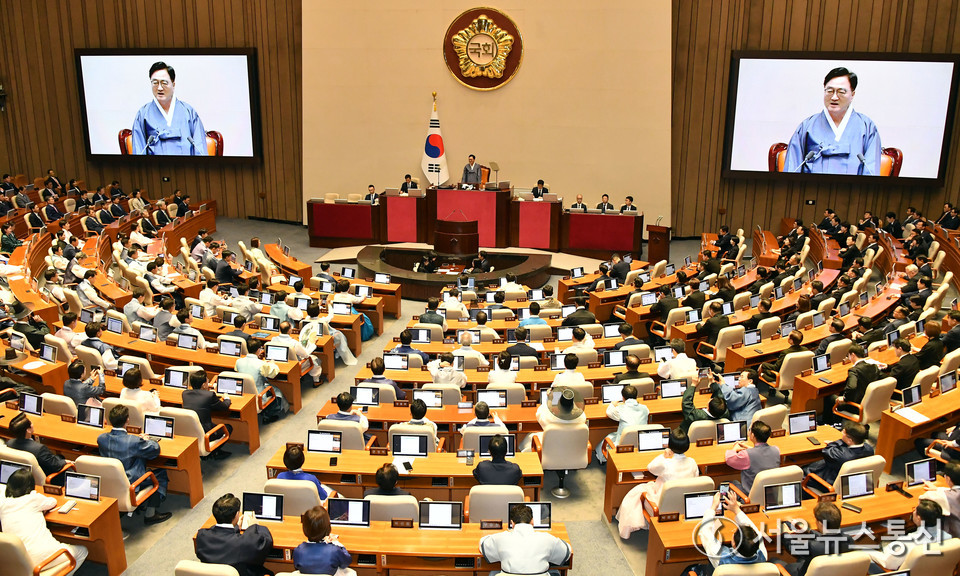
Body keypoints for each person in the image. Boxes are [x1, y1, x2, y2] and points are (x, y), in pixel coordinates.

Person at [784, 68, 880, 174]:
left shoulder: (867, 127)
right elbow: (792, 169)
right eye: (829, 91)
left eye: (841, 92)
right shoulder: (807, 126)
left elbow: (871, 172)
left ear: (852, 95)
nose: (834, 97)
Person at [0, 468, 89, 575]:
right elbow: (52, 502)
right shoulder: (33, 499)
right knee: (82, 551)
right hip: (41, 558)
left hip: (20, 562)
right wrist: (34, 493)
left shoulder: (3, 504)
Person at [98, 405, 171, 524]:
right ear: (127, 420)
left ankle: (143, 503)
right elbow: (155, 450)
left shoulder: (101, 438)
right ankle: (150, 514)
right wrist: (147, 440)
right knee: (160, 474)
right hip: (131, 483)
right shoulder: (133, 442)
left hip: (110, 481)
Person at [617, 429, 698, 535]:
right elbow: (695, 480)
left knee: (636, 493)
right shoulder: (692, 462)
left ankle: (629, 528)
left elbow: (650, 468)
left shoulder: (666, 463)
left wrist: (664, 456)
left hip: (660, 507)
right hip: (683, 506)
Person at [131, 61, 207, 155]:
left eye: (164, 83)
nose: (159, 88)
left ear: (173, 84)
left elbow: (200, 151)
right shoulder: (143, 114)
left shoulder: (189, 113)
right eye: (155, 83)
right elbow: (139, 152)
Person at [195, 493, 274, 576]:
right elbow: (266, 541)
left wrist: (235, 527)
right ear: (237, 514)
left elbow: (221, 535)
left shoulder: (201, 535)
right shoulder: (244, 543)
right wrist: (254, 526)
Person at [479, 504, 572, 574]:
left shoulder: (500, 538)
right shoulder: (547, 539)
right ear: (532, 521)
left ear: (512, 523)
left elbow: (482, 544)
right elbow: (567, 553)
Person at [867, 500, 952, 572]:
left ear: (919, 518)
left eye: (915, 510)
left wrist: (866, 552)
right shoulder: (949, 539)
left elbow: (888, 563)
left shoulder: (906, 543)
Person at [694, 491, 767, 569]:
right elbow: (757, 533)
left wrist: (713, 507)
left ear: (734, 544)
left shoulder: (720, 558)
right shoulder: (763, 555)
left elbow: (705, 532)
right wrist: (736, 509)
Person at [182, 369, 232, 459]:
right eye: (207, 381)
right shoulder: (209, 395)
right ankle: (214, 452)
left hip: (189, 431)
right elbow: (224, 407)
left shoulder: (185, 394)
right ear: (204, 385)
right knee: (228, 428)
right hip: (205, 432)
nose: (209, 382)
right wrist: (227, 398)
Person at [235, 339, 287, 423]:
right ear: (259, 350)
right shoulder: (261, 364)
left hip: (243, 393)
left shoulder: (238, 361)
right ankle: (267, 416)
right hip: (258, 396)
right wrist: (272, 363)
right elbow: (273, 374)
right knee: (277, 392)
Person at [805, 422, 873, 485]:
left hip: (830, 482)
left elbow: (826, 450)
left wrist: (836, 443)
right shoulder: (869, 449)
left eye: (844, 433)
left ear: (850, 440)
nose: (841, 433)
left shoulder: (841, 456)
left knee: (803, 470)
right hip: (854, 481)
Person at [293, 505, 354, 576]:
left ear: (305, 529)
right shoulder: (334, 550)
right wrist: (337, 543)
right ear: (328, 528)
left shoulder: (298, 551)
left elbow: (297, 566)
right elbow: (347, 561)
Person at [7, 413, 68, 481]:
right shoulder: (39, 449)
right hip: (47, 477)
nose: (32, 424)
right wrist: (65, 461)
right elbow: (56, 466)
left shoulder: (9, 443)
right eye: (31, 423)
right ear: (28, 430)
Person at [725, 420, 780, 493]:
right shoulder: (776, 450)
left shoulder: (746, 455)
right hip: (770, 493)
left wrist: (734, 448)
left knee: (724, 485)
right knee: (735, 481)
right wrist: (751, 448)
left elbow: (729, 459)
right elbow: (761, 453)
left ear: (753, 435)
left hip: (750, 495)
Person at [597, 385, 649, 463]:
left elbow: (609, 412)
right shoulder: (645, 408)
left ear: (623, 397)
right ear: (637, 396)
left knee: (609, 437)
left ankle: (601, 458)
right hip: (641, 443)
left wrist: (612, 404)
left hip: (622, 445)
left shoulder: (620, 409)